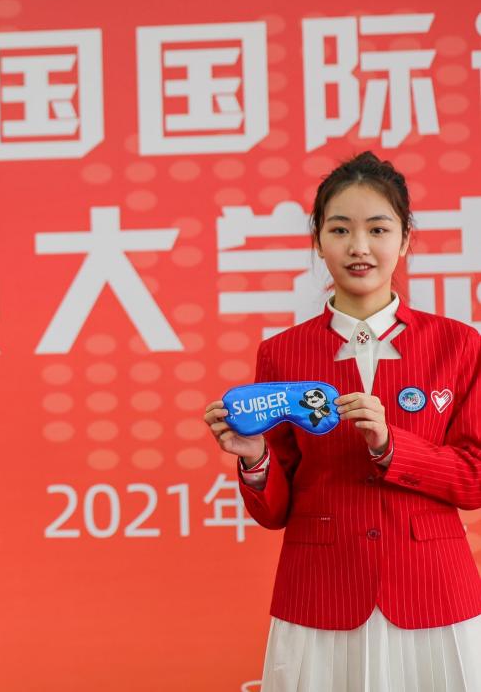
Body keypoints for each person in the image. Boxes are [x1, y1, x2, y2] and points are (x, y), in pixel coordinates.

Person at [203, 151, 481, 690]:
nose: (359, 247)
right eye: (340, 229)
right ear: (317, 240)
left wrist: (391, 445)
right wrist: (255, 458)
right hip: (320, 594)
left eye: (378, 229)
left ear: (405, 239)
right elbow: (274, 511)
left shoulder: (458, 345)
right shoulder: (282, 353)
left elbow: (474, 478)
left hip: (433, 593)